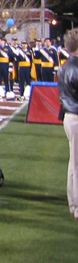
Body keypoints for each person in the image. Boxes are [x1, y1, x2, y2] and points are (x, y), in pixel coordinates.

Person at [58, 29, 78, 221]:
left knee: (74, 162)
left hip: (70, 116)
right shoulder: (75, 67)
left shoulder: (64, 67)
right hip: (76, 116)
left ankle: (74, 203)